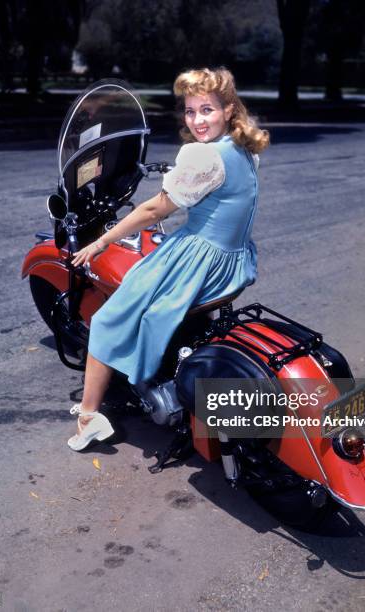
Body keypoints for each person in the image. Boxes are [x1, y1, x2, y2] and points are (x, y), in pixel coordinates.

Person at [67, 67, 270, 451]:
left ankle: (90, 417)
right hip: (232, 260)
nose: (197, 120)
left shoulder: (203, 157)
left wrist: (100, 242)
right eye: (191, 112)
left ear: (228, 110)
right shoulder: (244, 148)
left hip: (198, 262)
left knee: (108, 319)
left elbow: (154, 210)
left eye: (207, 110)